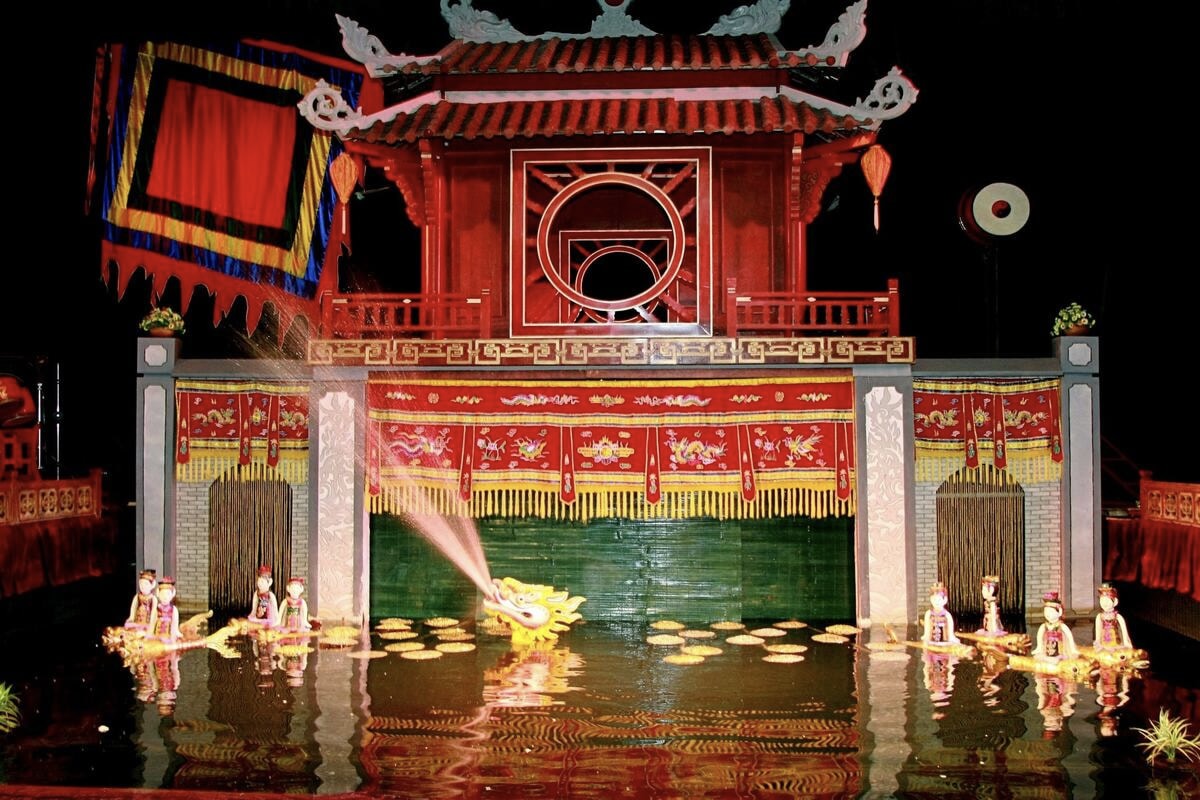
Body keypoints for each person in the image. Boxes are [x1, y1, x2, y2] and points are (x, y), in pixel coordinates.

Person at [1032, 590, 1077, 660]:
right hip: (1047, 649)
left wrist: (1073, 648)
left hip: (1060, 650)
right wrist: (1039, 647)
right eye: (1046, 612)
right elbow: (1039, 636)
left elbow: (1069, 636)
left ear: (1059, 612)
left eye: (1050, 612)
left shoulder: (1061, 626)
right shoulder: (1044, 626)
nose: (1047, 614)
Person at [1093, 583, 1134, 651]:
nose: (1104, 603)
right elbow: (1098, 631)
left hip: (1116, 644)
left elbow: (1124, 631)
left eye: (1107, 601)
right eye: (1102, 600)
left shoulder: (1117, 616)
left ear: (1115, 602)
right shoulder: (1099, 617)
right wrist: (1098, 642)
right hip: (1103, 644)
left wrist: (1126, 642)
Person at [150, 576, 182, 644]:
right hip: (157, 634)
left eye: (168, 594)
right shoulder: (157, 608)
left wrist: (174, 635)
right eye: (162, 594)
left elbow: (175, 624)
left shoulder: (174, 609)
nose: (165, 597)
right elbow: (152, 622)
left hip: (169, 634)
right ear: (158, 594)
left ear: (172, 595)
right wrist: (149, 634)